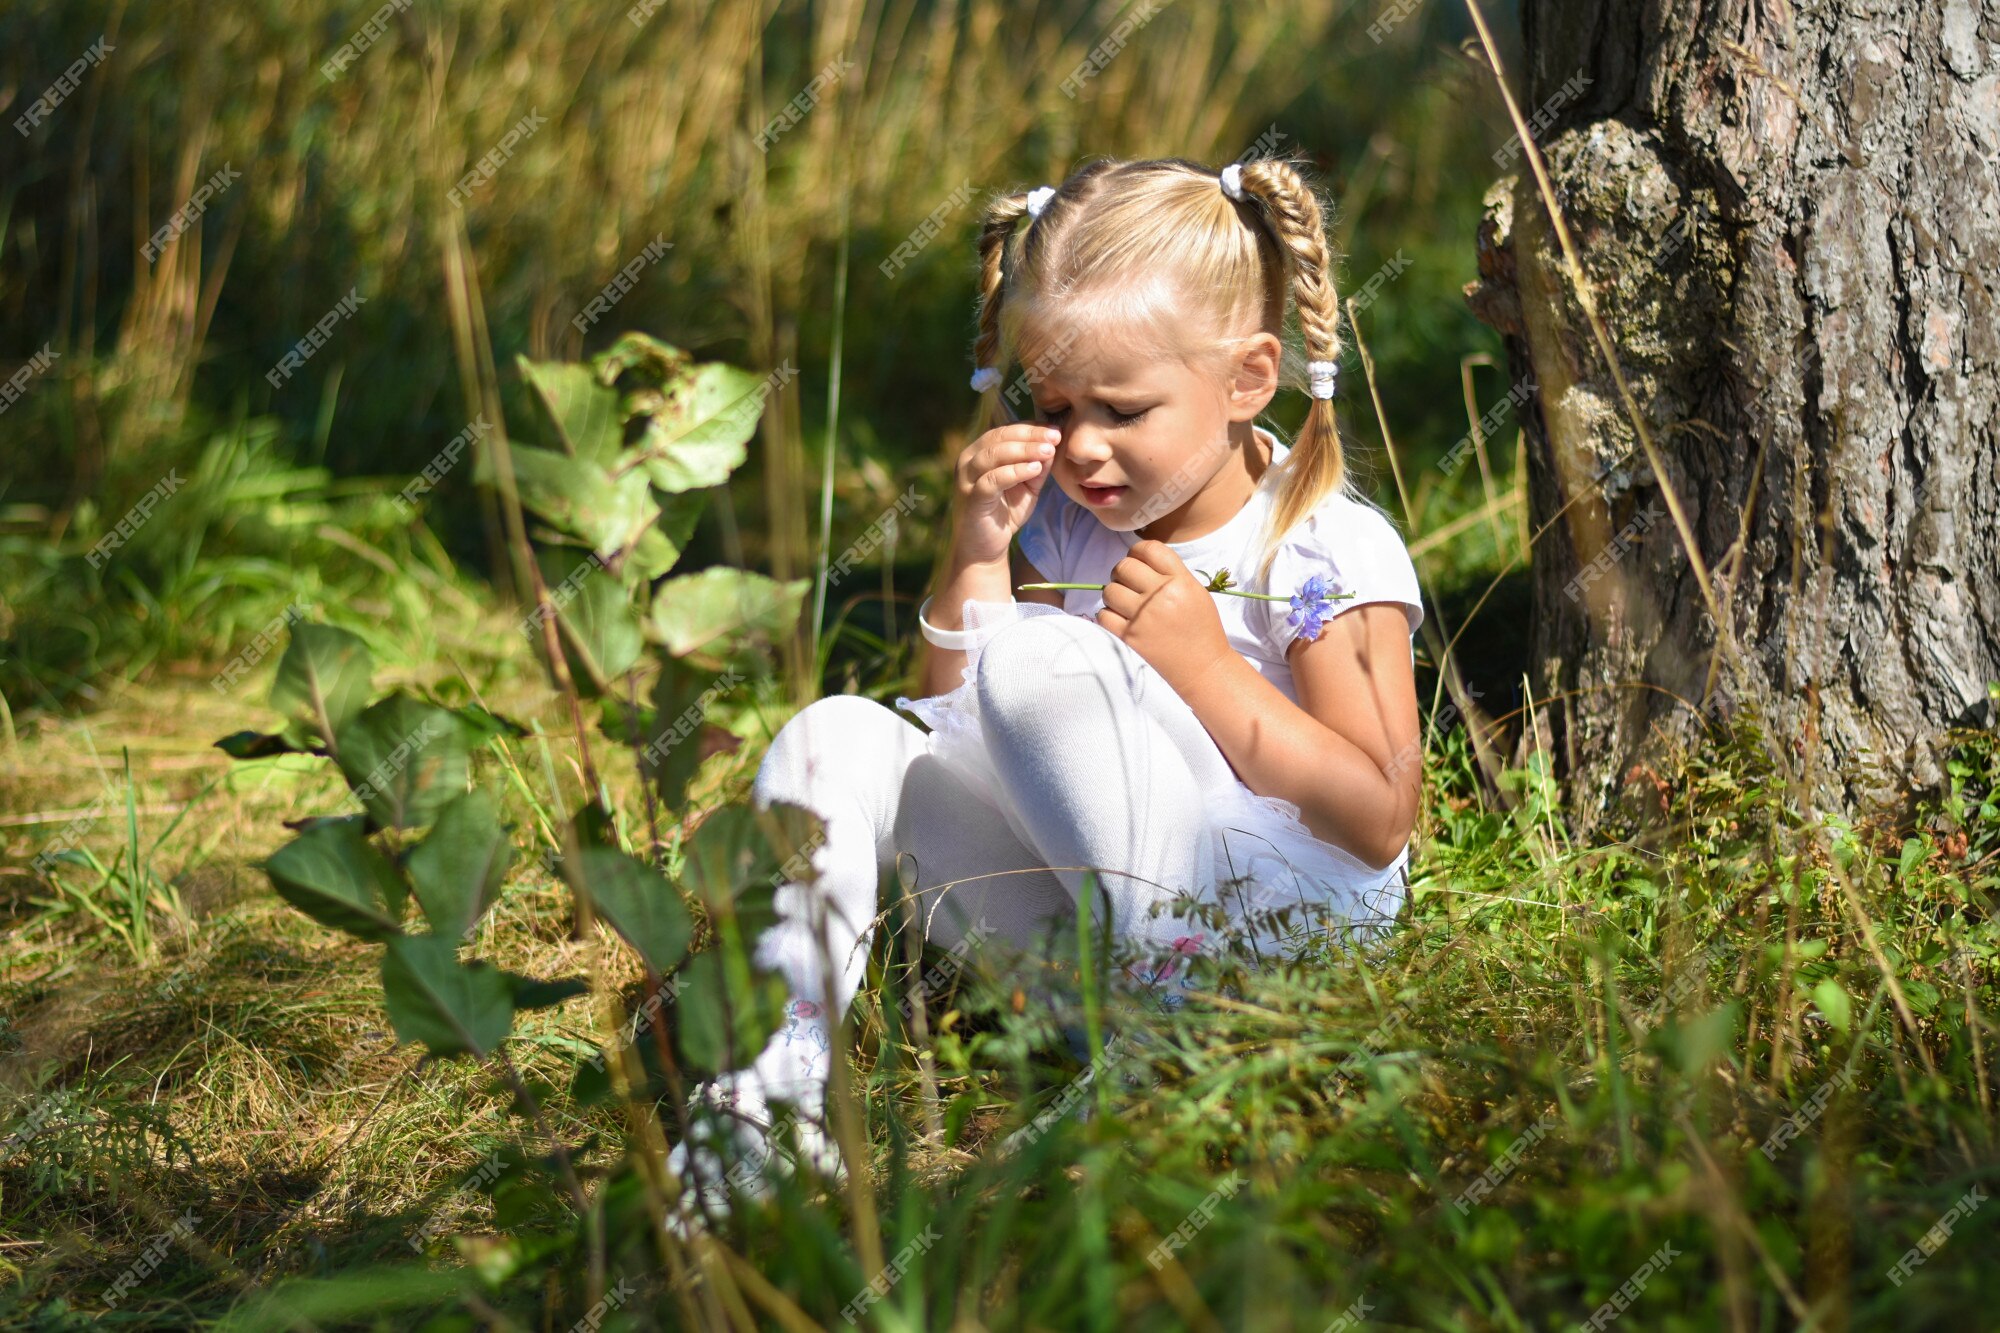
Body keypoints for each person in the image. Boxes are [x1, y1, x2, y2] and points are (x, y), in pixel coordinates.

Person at [668, 153, 1424, 1222]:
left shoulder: (1314, 551)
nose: (1079, 446)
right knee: (833, 730)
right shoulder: (1067, 522)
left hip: (1275, 945)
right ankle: (773, 1091)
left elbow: (1381, 817)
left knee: (1035, 659)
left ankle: (1177, 1061)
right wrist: (977, 550)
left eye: (1120, 407)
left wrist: (1205, 667)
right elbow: (951, 719)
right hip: (1090, 947)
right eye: (1054, 402)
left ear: (1249, 378)